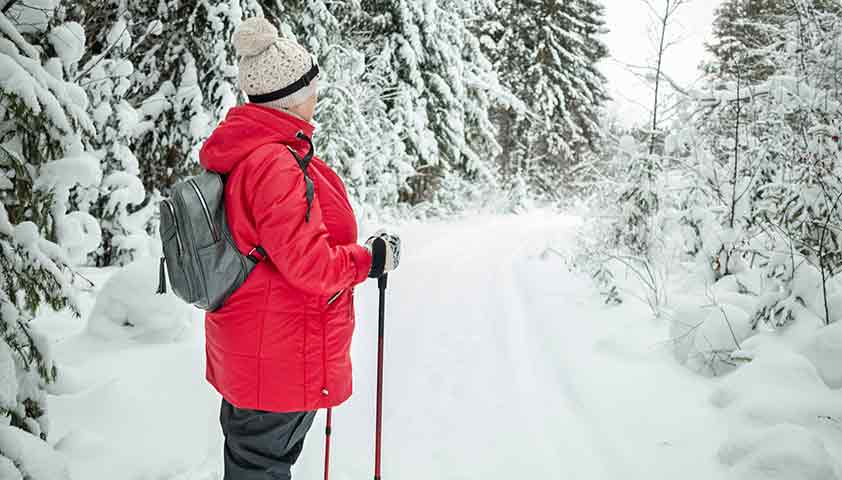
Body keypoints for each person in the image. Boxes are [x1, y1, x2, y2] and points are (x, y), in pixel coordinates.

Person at [198, 17, 401, 480]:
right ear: (291, 96)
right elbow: (308, 265)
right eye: (312, 86)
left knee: (253, 463)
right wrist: (368, 261)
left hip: (261, 346)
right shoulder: (273, 163)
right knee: (260, 468)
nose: (317, 96)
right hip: (278, 352)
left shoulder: (256, 151)